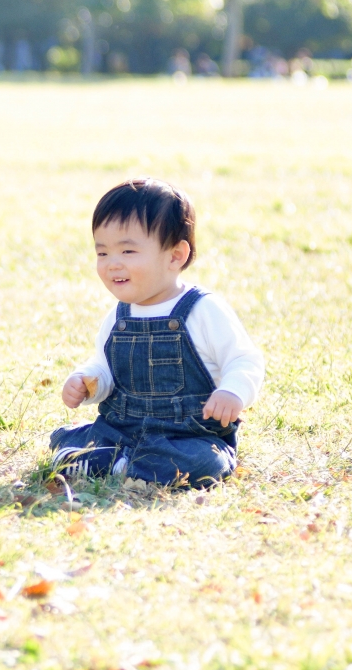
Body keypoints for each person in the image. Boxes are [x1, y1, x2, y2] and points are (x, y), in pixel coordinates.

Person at [49, 179, 264, 488]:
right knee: (78, 439)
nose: (113, 264)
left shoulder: (203, 310)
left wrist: (232, 392)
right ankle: (120, 458)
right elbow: (106, 367)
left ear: (175, 256)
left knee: (205, 463)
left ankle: (116, 462)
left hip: (189, 435)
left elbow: (245, 360)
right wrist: (86, 381)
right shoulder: (119, 316)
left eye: (127, 250)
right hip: (124, 427)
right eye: (103, 254)